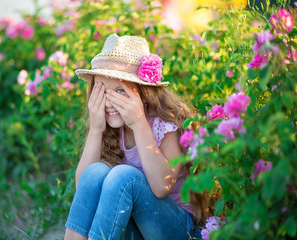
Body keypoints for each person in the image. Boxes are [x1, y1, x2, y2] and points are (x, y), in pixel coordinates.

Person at [64, 33, 206, 240]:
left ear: (144, 93)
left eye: (120, 91)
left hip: (178, 228)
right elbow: (84, 190)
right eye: (101, 91)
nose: (109, 101)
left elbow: (161, 187)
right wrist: (95, 128)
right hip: (136, 229)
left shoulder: (166, 125)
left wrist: (139, 123)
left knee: (124, 177)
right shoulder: (110, 127)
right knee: (96, 172)